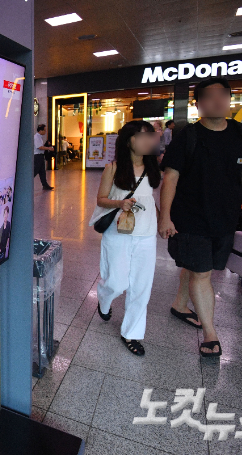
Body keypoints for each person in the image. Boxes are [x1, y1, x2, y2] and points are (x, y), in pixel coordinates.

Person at [159, 77, 242, 358]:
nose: (218, 101)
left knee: (200, 267)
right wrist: (165, 216)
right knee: (203, 273)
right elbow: (170, 176)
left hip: (226, 218)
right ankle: (211, 334)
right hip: (190, 217)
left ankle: (180, 305)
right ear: (199, 104)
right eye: (210, 97)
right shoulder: (188, 136)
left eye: (223, 95)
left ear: (230, 99)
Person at [89, 121, 161, 356]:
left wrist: (163, 222)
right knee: (116, 282)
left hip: (147, 233)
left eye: (151, 136)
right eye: (143, 136)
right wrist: (120, 203)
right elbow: (100, 199)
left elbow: (151, 199)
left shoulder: (154, 167)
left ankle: (131, 332)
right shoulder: (114, 167)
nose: (148, 141)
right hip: (118, 231)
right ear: (129, 140)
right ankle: (104, 298)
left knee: (141, 286)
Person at [34, 124, 54, 190]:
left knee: (42, 171)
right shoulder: (36, 137)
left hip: (41, 156)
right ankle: (27, 182)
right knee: (35, 171)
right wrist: (48, 148)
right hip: (37, 156)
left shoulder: (40, 137)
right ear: (41, 130)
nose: (45, 132)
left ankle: (45, 185)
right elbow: (39, 147)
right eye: (44, 130)